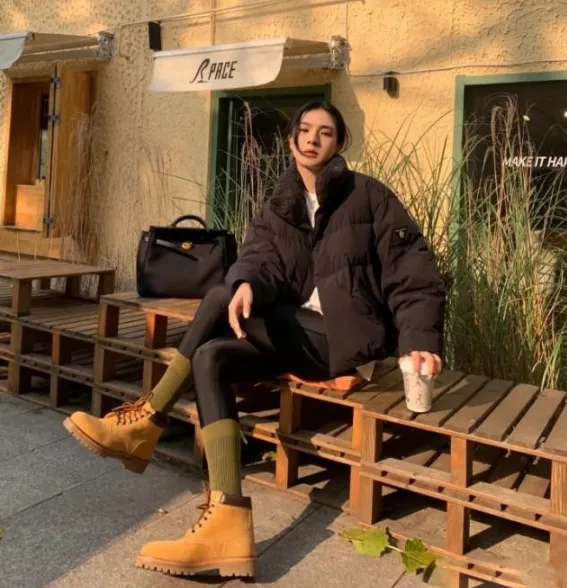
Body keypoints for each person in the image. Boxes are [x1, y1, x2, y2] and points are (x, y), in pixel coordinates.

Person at [63, 101, 445, 579]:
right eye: (304, 130)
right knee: (211, 355)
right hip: (293, 333)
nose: (313, 139)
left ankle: (149, 417)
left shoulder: (369, 197)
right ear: (291, 139)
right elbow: (258, 259)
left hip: (344, 340)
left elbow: (413, 271)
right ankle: (227, 518)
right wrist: (247, 283)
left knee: (217, 297)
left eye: (325, 132)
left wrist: (419, 338)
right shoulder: (280, 203)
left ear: (339, 144)